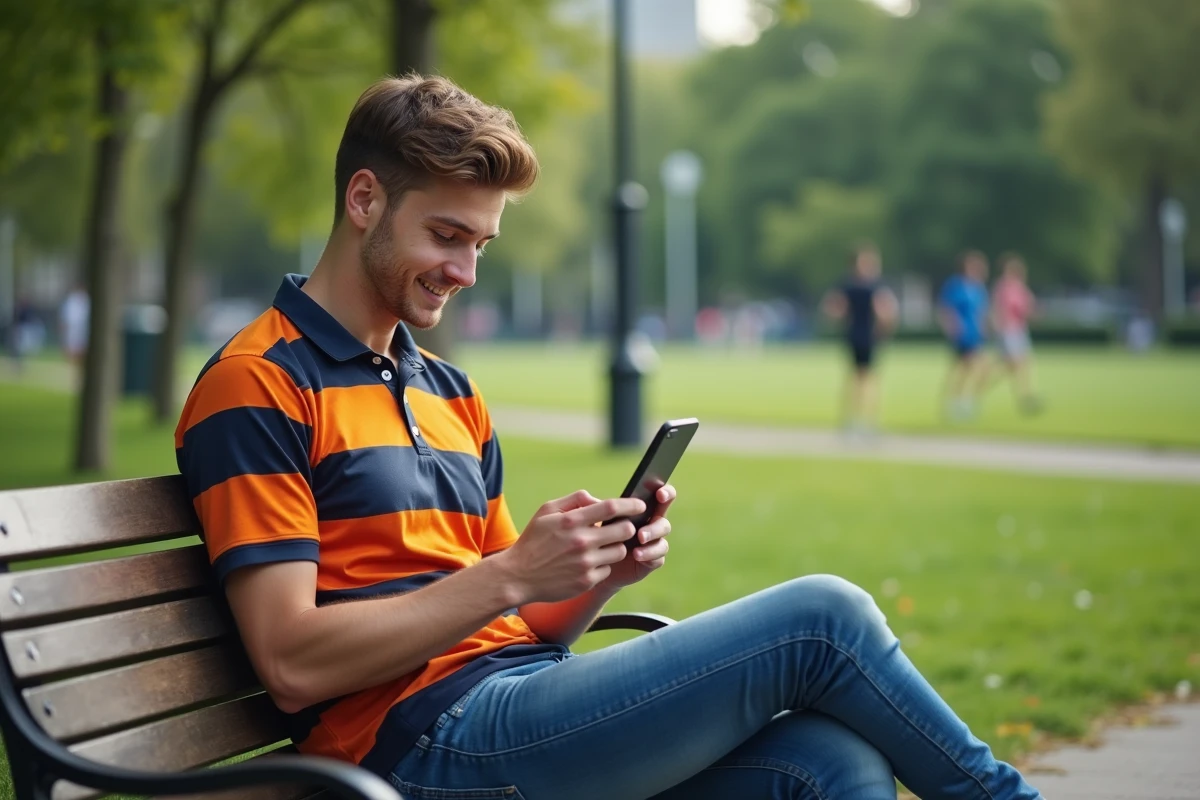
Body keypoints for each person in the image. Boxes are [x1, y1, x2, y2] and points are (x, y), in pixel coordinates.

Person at [175, 75, 1042, 800]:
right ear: (364, 199)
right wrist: (512, 573)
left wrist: (588, 578)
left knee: (829, 764)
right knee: (823, 619)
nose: (466, 272)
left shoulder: (447, 389)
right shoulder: (258, 385)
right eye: (446, 235)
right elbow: (290, 662)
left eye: (481, 244)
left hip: (512, 706)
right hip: (408, 757)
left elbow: (517, 632)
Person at [821, 243, 898, 436]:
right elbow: (885, 311)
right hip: (863, 336)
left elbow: (832, 309)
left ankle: (859, 422)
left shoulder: (848, 284)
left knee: (860, 379)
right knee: (866, 380)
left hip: (857, 335)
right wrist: (885, 329)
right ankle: (862, 423)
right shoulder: (873, 286)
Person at [937, 251, 991, 421]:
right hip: (962, 334)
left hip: (975, 334)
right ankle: (960, 402)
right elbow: (945, 308)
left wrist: (985, 327)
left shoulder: (977, 287)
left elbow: (981, 311)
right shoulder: (955, 285)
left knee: (968, 370)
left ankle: (960, 401)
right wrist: (951, 325)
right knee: (972, 367)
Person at [990, 253, 1042, 415]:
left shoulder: (1020, 288)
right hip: (1008, 331)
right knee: (1013, 365)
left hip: (1019, 330)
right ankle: (978, 387)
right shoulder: (1003, 287)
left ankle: (1025, 396)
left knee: (1021, 364)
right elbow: (998, 309)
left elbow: (1028, 308)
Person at [59, 282, 89, 367]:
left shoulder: (85, 299)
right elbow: (66, 315)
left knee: (81, 345)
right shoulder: (71, 300)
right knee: (71, 346)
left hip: (82, 326)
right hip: (72, 326)